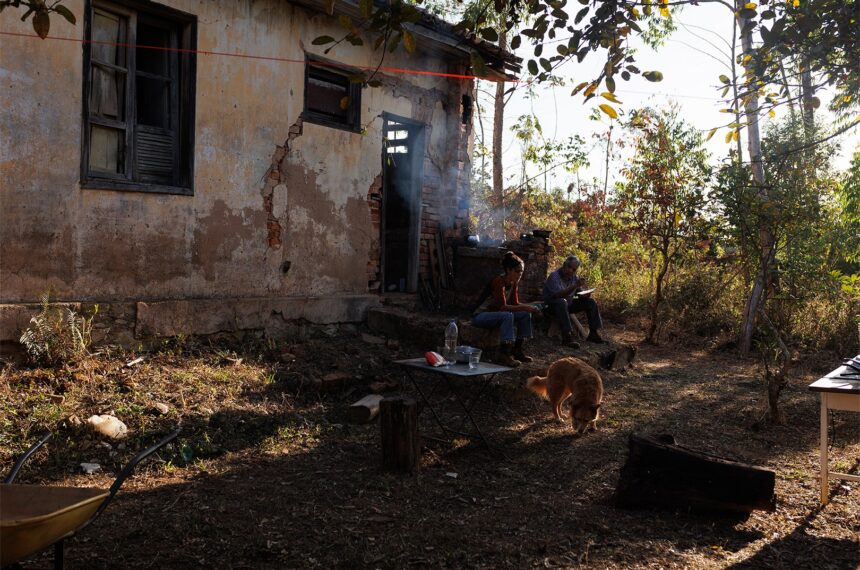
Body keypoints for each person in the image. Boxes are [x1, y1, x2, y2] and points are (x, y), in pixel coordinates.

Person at [471, 251, 540, 367]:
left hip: (497, 314)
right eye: (517, 271)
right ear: (508, 270)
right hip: (481, 316)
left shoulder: (513, 283)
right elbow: (503, 307)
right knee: (508, 315)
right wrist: (526, 307)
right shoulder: (499, 281)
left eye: (521, 272)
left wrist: (532, 305)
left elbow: (515, 304)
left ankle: (517, 349)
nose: (520, 274)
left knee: (525, 314)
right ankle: (504, 354)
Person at [543, 255, 604, 346]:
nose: (570, 271)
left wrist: (585, 295)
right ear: (564, 264)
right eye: (569, 267)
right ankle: (567, 336)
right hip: (551, 305)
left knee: (591, 302)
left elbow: (578, 294)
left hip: (567, 304)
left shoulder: (573, 277)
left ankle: (593, 333)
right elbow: (558, 295)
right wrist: (575, 285)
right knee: (562, 302)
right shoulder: (554, 276)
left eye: (574, 269)